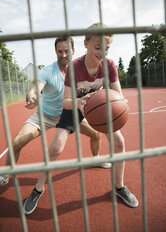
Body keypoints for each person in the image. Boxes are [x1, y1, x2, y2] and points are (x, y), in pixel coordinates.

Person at [23, 23, 138, 215]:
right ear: (86, 43)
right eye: (97, 47)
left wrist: (121, 104)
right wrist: (78, 103)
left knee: (119, 141)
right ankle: (38, 188)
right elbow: (66, 101)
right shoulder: (75, 67)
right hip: (74, 106)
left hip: (98, 106)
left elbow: (118, 95)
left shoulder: (109, 65)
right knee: (56, 147)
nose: (102, 52)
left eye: (107, 48)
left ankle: (119, 187)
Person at [0, 37, 111, 187]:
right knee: (17, 142)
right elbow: (34, 89)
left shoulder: (81, 70)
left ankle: (95, 158)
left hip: (69, 114)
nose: (63, 55)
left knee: (96, 133)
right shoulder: (46, 71)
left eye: (66, 51)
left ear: (73, 51)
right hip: (44, 116)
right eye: (60, 51)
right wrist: (32, 97)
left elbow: (95, 87)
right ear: (55, 52)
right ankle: (6, 174)